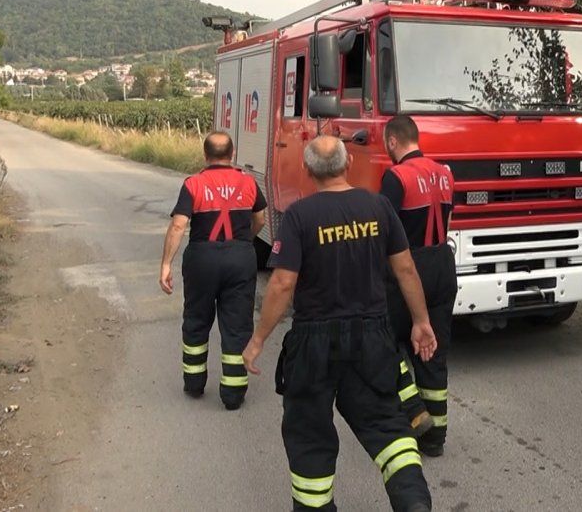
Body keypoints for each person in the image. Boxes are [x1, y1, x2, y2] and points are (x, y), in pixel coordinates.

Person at [242, 136, 436, 512]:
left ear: (309, 170)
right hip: (372, 338)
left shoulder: (300, 216)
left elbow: (283, 283)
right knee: (388, 427)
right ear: (348, 165)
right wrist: (421, 321)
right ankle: (413, 502)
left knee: (309, 434)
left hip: (315, 341)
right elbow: (405, 268)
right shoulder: (379, 207)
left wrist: (258, 339)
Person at [159, 131, 266, 410]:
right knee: (237, 324)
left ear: (205, 155)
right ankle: (233, 395)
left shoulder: (193, 184)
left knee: (196, 319)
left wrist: (166, 264)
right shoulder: (248, 182)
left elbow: (179, 225)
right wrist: (245, 242)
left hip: (201, 259)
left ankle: (194, 384)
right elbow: (260, 219)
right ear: (232, 154)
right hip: (240, 257)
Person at [379, 115, 458, 458]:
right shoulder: (444, 172)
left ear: (393, 142)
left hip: (408, 267)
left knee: (382, 336)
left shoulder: (395, 176)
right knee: (432, 347)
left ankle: (412, 408)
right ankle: (435, 438)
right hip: (443, 262)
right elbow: (448, 217)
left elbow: (385, 231)